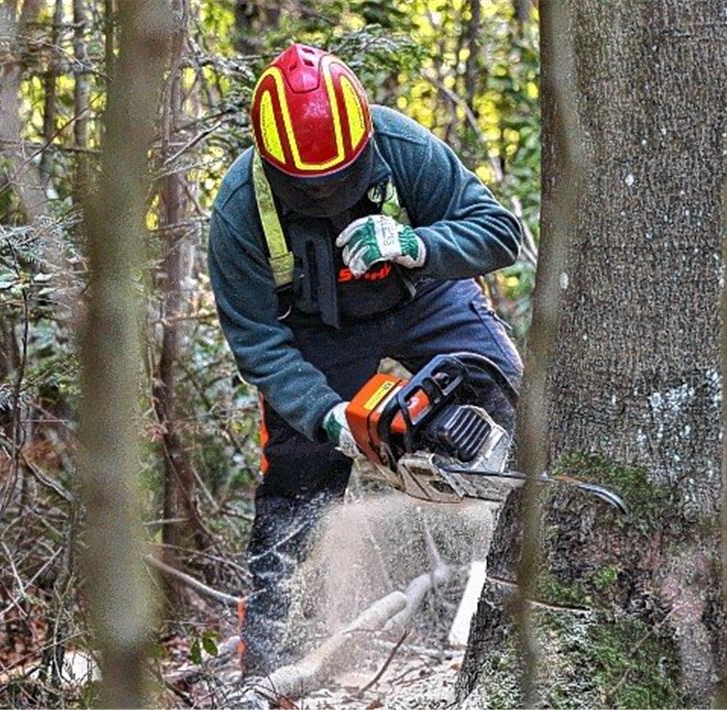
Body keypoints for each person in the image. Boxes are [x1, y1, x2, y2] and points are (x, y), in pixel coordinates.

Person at [208, 42, 524, 675]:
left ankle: (538, 580)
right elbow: (257, 342)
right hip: (318, 337)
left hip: (427, 298)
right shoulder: (242, 207)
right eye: (310, 185)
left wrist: (417, 243)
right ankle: (270, 673)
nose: (328, 192)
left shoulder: (402, 147)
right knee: (294, 495)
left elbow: (498, 233)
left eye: (340, 177)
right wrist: (325, 415)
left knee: (512, 401)